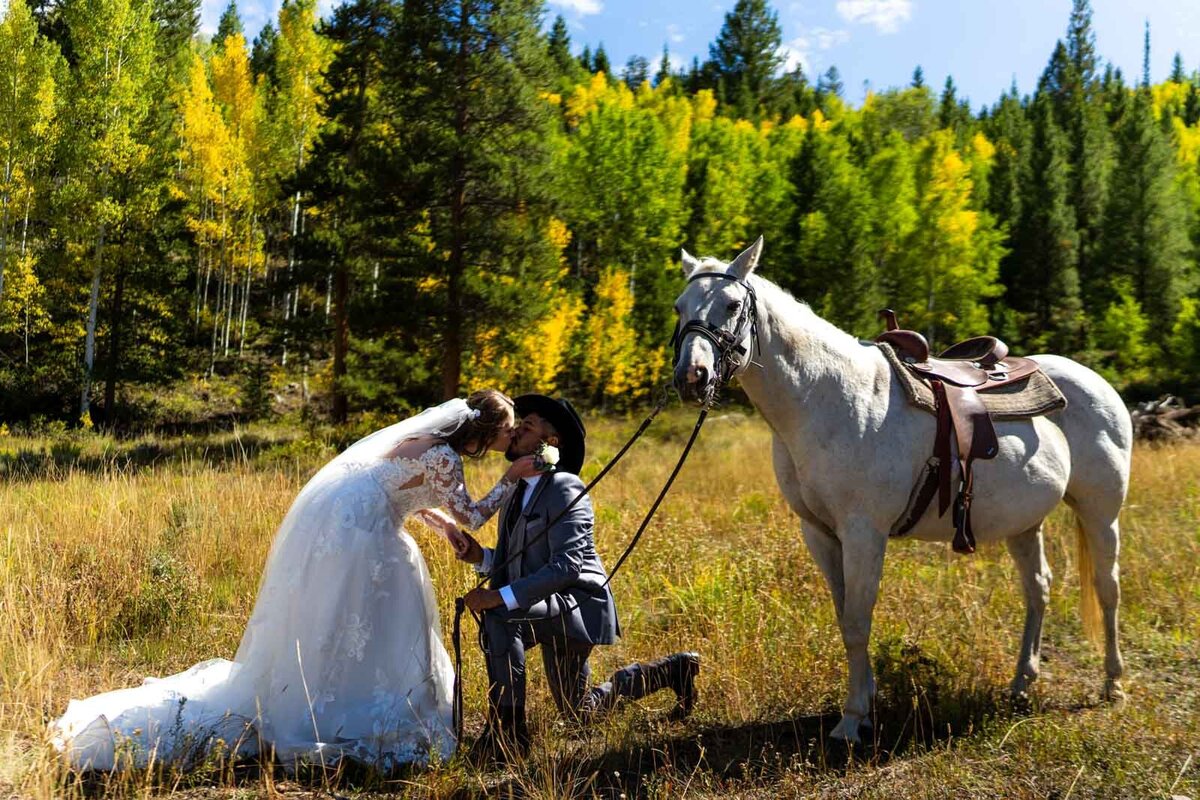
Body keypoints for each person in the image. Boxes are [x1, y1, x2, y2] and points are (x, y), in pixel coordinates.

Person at [51, 390, 541, 772]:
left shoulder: (424, 443)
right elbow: (475, 516)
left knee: (341, 618)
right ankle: (346, 710)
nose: (512, 436)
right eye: (508, 430)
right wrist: (512, 478)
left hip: (347, 521)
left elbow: (399, 491)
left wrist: (440, 525)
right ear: (485, 431)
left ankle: (323, 692)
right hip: (364, 534)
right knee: (376, 614)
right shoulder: (447, 458)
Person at [424, 394, 700, 762]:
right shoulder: (517, 491)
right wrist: (480, 557)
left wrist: (497, 597)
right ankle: (673, 671)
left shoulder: (565, 487)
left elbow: (567, 566)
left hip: (576, 602)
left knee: (501, 617)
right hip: (542, 602)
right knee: (579, 711)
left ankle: (508, 736)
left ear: (550, 442)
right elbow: (518, 562)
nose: (516, 430)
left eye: (528, 425)